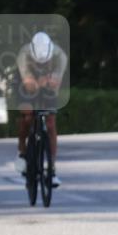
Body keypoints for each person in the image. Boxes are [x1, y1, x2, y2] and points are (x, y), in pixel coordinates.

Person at [15, 32, 67, 187]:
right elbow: (29, 86)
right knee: (27, 116)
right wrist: (39, 82)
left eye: (45, 62)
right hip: (24, 84)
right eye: (39, 62)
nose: (42, 65)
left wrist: (46, 83)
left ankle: (52, 169)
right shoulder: (24, 54)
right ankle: (22, 150)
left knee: (50, 123)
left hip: (46, 85)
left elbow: (55, 85)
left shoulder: (60, 56)